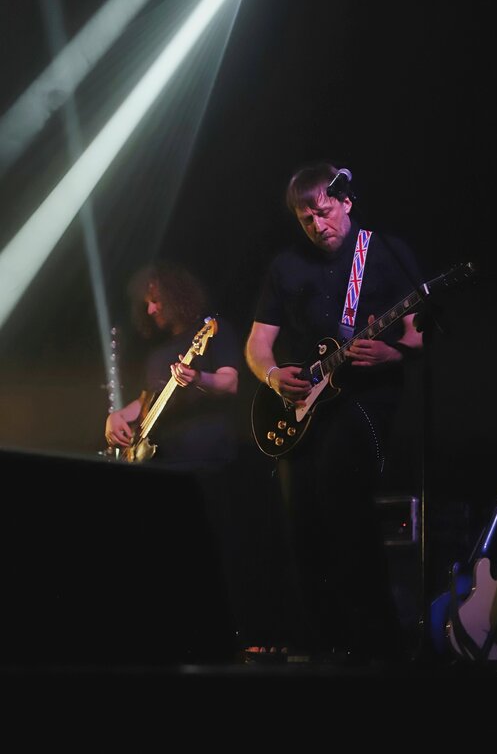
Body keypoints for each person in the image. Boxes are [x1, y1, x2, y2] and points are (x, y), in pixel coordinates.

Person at [245, 162, 425, 663]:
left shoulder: (383, 252)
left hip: (365, 400)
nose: (316, 225)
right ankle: (321, 643)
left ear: (346, 201)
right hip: (306, 406)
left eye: (323, 212)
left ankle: (376, 642)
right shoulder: (285, 266)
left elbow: (419, 331)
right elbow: (257, 344)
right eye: (305, 219)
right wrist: (271, 375)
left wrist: (394, 352)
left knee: (341, 495)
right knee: (300, 517)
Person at [104, 260, 244, 637]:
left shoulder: (212, 332)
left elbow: (230, 382)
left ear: (175, 295)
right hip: (164, 464)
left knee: (212, 553)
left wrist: (197, 377)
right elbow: (146, 403)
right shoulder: (158, 355)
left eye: (155, 300)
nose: (150, 309)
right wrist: (116, 418)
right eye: (146, 304)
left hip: (207, 461)